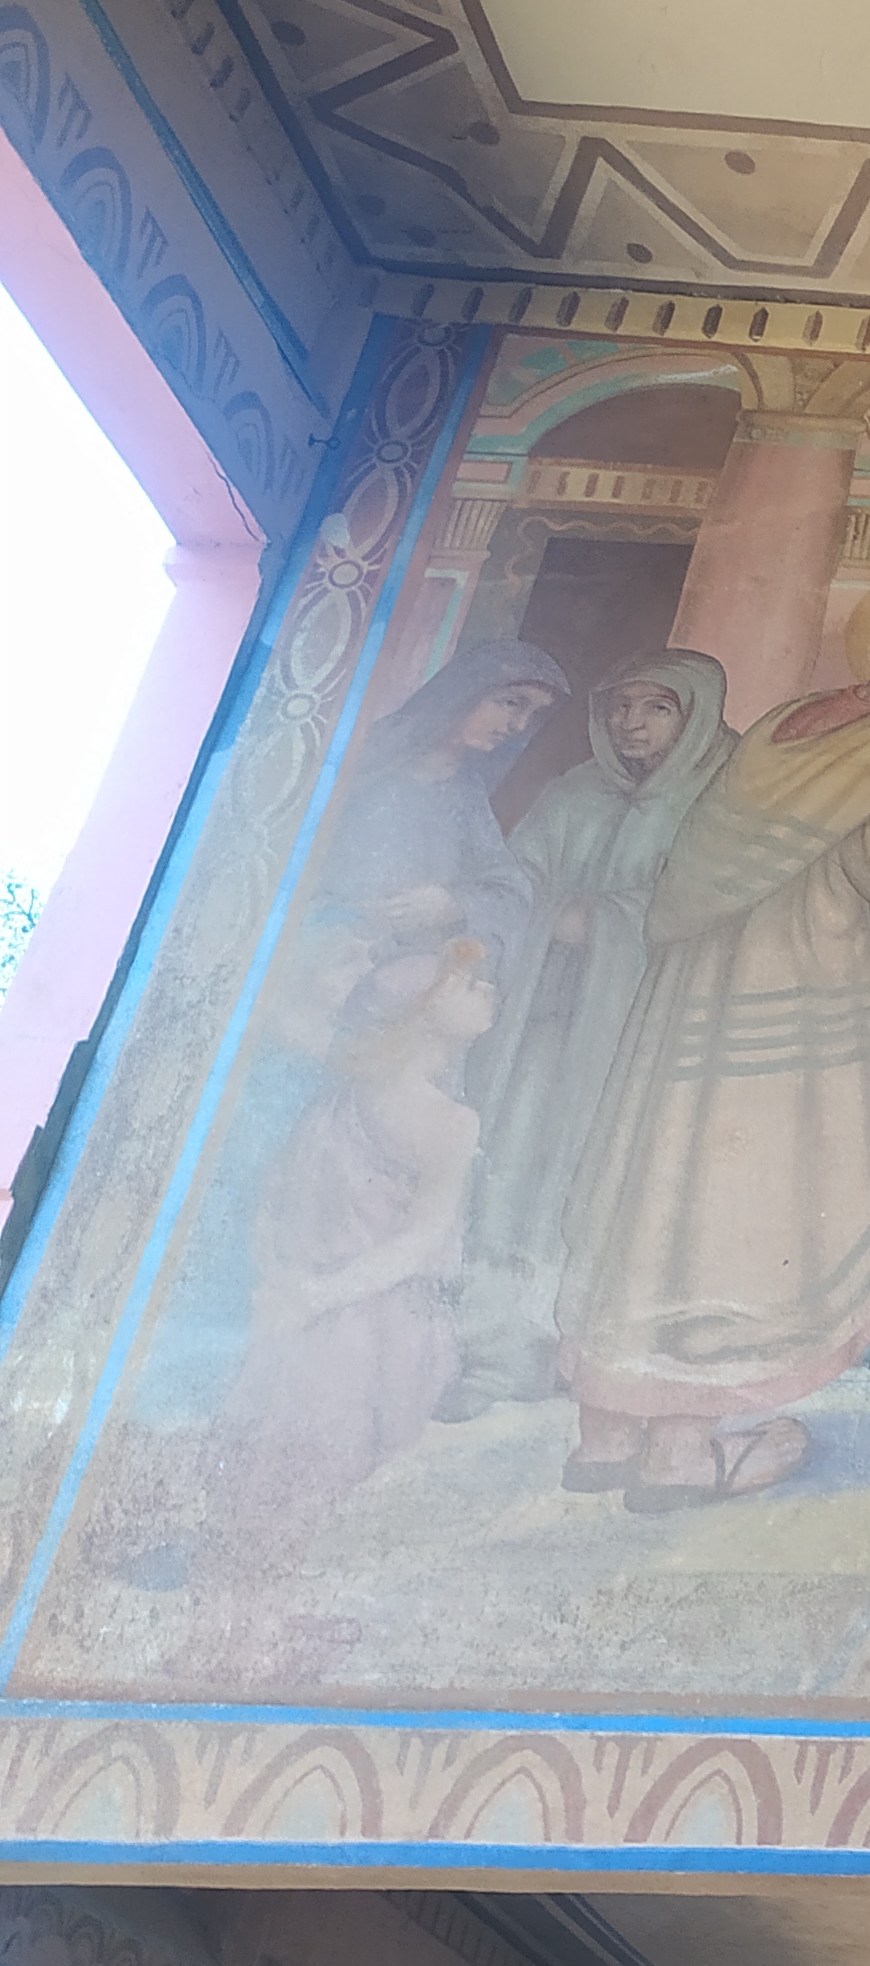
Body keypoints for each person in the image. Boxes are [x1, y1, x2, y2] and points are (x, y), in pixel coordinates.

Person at [556, 586, 870, 1510]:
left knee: (656, 1191)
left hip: (689, 1002)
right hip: (803, 1009)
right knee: (746, 1217)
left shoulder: (792, 725)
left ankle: (606, 1431)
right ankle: (682, 1453)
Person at [443, 651, 735, 1415]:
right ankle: (494, 1352)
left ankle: (591, 1360)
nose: (632, 724)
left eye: (657, 708)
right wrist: (547, 915)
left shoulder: (728, 806)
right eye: (620, 707)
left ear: (696, 715)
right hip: (544, 1028)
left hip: (653, 1044)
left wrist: (602, 919)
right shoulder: (575, 793)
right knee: (513, 1169)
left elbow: (711, 908)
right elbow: (516, 881)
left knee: (619, 1190)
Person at [219, 940, 500, 1514]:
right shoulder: (449, 1122)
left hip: (302, 1315)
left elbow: (270, 1209)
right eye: (469, 985)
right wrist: (316, 1295)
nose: (490, 989)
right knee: (321, 1480)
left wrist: (290, 1287)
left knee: (271, 1476)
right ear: (424, 1015)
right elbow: (420, 1243)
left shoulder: (340, 1098)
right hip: (381, 1332)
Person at [313, 639, 569, 966]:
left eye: (532, 714)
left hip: (409, 969)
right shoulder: (363, 762)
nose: (519, 725)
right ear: (466, 690)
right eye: (511, 703)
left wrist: (452, 905)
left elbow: (511, 892)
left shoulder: (466, 793)